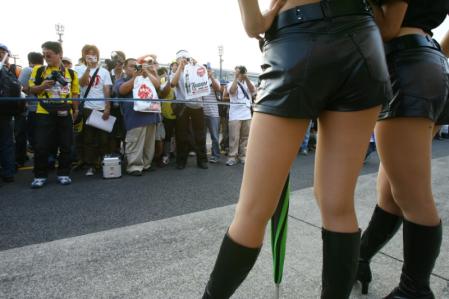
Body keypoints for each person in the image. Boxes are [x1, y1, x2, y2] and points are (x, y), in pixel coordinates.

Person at [202, 0, 392, 298]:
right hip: (362, 43)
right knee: (338, 205)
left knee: (253, 210)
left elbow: (254, 26)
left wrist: (263, 17)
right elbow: (388, 26)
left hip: (297, 39)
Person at [355, 2, 449, 298]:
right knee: (392, 194)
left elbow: (388, 28)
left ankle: (414, 290)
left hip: (405, 63)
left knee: (413, 196)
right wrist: (429, 55)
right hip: (428, 62)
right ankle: (359, 260)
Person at [29, 41, 80, 188]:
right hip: (43, 111)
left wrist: (75, 110)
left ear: (59, 54)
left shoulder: (71, 73)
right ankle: (40, 176)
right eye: (44, 55)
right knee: (41, 145)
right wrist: (43, 86)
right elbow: (31, 89)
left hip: (65, 110)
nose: (46, 58)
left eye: (49, 55)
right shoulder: (38, 70)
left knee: (66, 144)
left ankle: (63, 173)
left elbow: (75, 94)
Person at [115, 58, 161, 175]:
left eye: (136, 66)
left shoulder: (145, 78)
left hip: (150, 114)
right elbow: (122, 90)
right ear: (124, 68)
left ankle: (146, 164)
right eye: (131, 66)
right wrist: (135, 77)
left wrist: (148, 72)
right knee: (134, 142)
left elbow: (157, 85)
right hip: (134, 117)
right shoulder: (122, 80)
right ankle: (134, 166)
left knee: (148, 144)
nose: (135, 68)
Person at [74, 45, 113, 177]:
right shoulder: (78, 69)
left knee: (103, 139)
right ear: (84, 56)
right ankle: (90, 164)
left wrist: (108, 107)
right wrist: (88, 69)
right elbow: (81, 83)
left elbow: (107, 89)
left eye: (94, 54)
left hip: (101, 108)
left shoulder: (104, 71)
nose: (91, 56)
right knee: (88, 138)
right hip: (87, 108)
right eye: (88, 54)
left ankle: (102, 162)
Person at [170, 50, 208, 170]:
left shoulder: (195, 69)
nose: (184, 60)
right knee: (181, 135)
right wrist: (180, 67)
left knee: (200, 134)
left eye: (185, 58)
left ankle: (202, 160)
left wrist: (197, 66)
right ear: (176, 60)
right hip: (183, 106)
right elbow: (172, 84)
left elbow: (204, 81)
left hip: (198, 105)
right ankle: (181, 161)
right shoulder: (175, 72)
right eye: (180, 58)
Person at [225, 66, 255, 166]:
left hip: (246, 114)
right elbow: (232, 91)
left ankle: (243, 156)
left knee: (245, 137)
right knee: (234, 137)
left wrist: (246, 78)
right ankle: (232, 157)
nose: (240, 74)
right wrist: (236, 78)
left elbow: (253, 90)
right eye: (238, 72)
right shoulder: (230, 83)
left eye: (242, 72)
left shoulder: (249, 82)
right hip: (234, 115)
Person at [202, 64, 222, 163]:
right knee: (201, 136)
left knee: (214, 136)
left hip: (213, 113)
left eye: (208, 70)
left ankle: (215, 155)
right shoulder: (199, 80)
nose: (206, 71)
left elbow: (218, 88)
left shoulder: (214, 80)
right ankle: (203, 155)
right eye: (204, 70)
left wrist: (211, 77)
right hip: (201, 112)